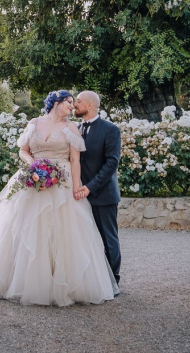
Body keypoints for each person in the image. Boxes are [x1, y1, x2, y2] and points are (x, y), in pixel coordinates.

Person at [0, 90, 118, 306]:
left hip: (61, 181)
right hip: (33, 178)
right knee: (23, 228)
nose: (72, 106)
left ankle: (60, 283)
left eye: (75, 102)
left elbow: (75, 161)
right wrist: (33, 164)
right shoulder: (34, 123)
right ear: (56, 103)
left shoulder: (72, 128)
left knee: (62, 233)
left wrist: (77, 187)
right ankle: (15, 280)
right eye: (69, 102)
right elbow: (23, 151)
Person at [72, 90, 122, 286]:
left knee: (109, 241)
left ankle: (113, 282)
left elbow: (111, 163)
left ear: (90, 105)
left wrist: (89, 188)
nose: (75, 104)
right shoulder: (75, 129)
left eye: (78, 101)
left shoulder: (110, 130)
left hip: (103, 195)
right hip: (78, 195)